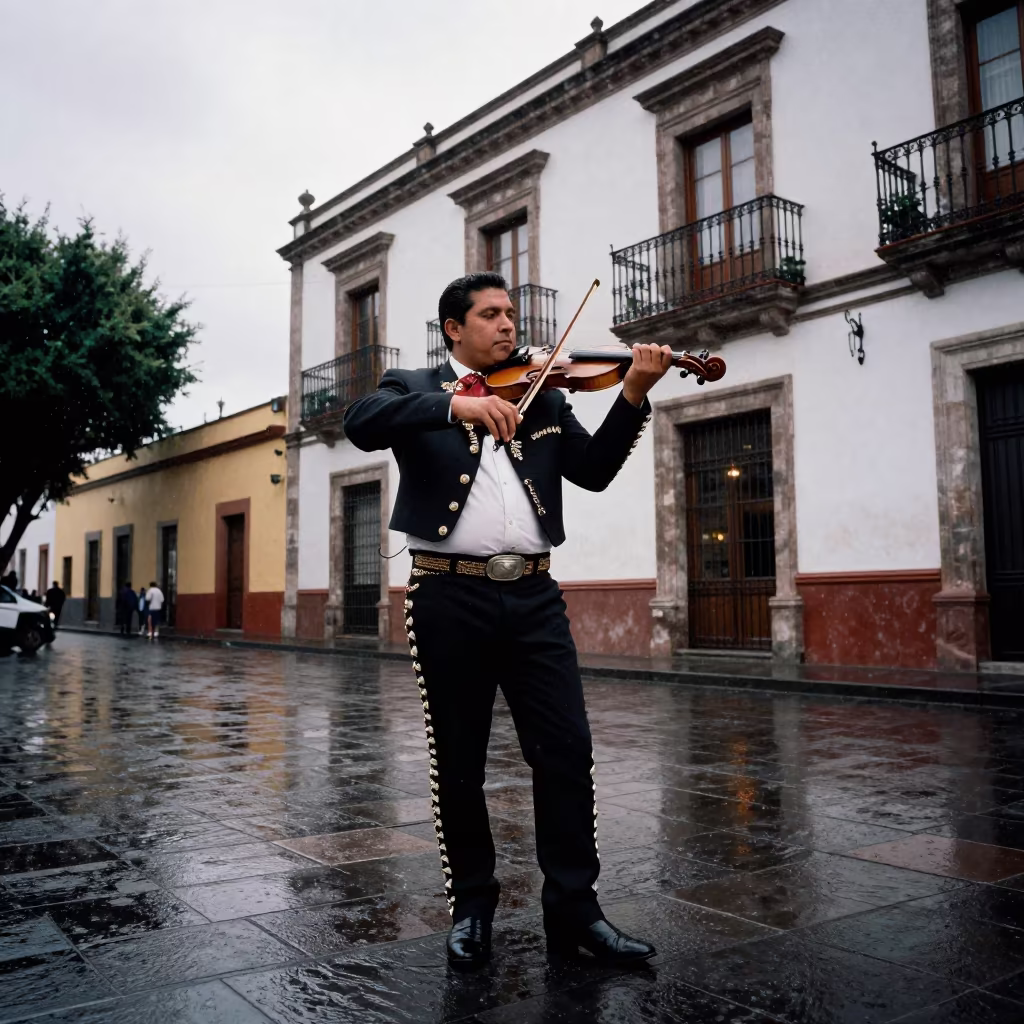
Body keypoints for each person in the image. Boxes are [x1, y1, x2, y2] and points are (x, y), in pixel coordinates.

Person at [343, 272, 673, 969]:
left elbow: (593, 471)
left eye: (511, 314)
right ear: (454, 329)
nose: (507, 325)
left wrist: (633, 395)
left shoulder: (545, 390)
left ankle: (576, 911)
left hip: (534, 596)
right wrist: (457, 408)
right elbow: (361, 423)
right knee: (459, 763)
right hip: (446, 596)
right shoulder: (412, 385)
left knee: (567, 750)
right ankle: (473, 905)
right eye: (490, 315)